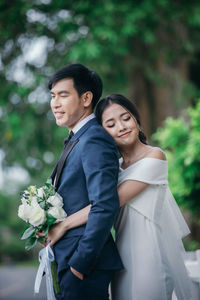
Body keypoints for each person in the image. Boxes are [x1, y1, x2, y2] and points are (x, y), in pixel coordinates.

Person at [48, 93, 191, 300]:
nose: (121, 127)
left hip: (150, 253)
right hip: (121, 255)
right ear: (103, 132)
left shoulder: (155, 156)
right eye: (111, 124)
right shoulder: (113, 168)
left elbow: (109, 202)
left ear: (136, 119)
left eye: (126, 118)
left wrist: (64, 225)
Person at [47, 65, 123, 300]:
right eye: (52, 96)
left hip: (83, 265)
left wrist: (79, 265)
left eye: (63, 95)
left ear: (86, 98)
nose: (55, 103)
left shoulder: (94, 138)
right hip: (67, 258)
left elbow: (105, 204)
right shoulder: (78, 138)